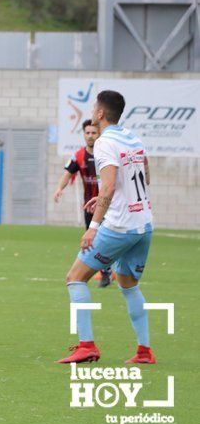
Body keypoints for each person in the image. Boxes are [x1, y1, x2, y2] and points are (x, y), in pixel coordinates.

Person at [58, 90, 156, 365]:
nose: (91, 112)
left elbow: (110, 185)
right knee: (129, 286)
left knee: (75, 277)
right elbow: (143, 174)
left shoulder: (103, 143)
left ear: (100, 113)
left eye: (93, 108)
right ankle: (144, 351)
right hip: (143, 223)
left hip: (119, 226)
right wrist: (110, 199)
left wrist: (94, 227)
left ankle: (86, 345)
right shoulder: (133, 138)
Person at [53, 119, 114, 288]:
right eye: (87, 133)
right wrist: (59, 188)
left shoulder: (106, 154)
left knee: (107, 239)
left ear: (99, 134)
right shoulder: (79, 155)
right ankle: (105, 271)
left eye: (94, 133)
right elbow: (67, 173)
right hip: (90, 207)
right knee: (93, 239)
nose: (90, 136)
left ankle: (107, 272)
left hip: (109, 206)